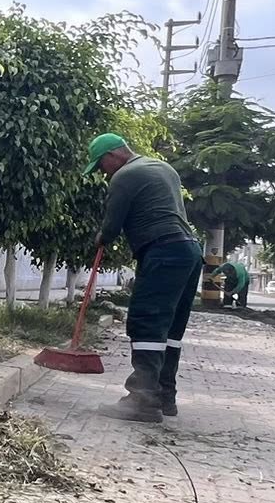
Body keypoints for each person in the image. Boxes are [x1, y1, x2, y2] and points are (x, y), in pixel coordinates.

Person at [85, 133, 203, 422]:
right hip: (189, 251)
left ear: (112, 155)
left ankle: (142, 400)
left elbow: (112, 225)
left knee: (146, 322)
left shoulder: (125, 176)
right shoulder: (163, 168)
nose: (103, 172)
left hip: (163, 251)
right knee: (171, 329)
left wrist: (100, 238)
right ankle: (164, 396)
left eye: (101, 165)